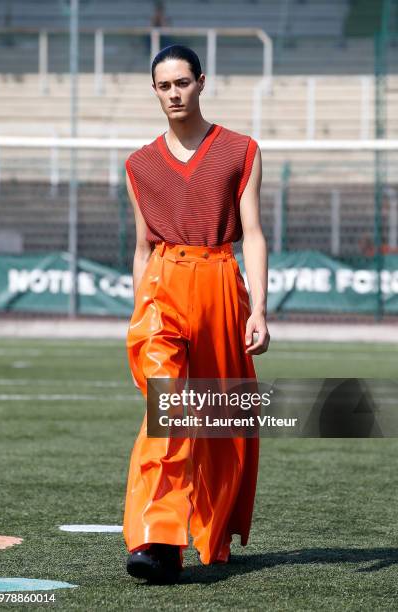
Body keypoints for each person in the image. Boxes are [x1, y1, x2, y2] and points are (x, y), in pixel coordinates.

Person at [123, 44, 270, 584]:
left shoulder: (240, 149)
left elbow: (252, 233)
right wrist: (138, 312)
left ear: (201, 82)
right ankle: (155, 540)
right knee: (168, 411)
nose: (174, 93)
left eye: (182, 82)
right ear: (155, 91)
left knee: (224, 421)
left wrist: (259, 307)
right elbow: (141, 246)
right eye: (163, 86)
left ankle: (212, 530)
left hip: (219, 283)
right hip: (161, 286)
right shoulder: (138, 163)